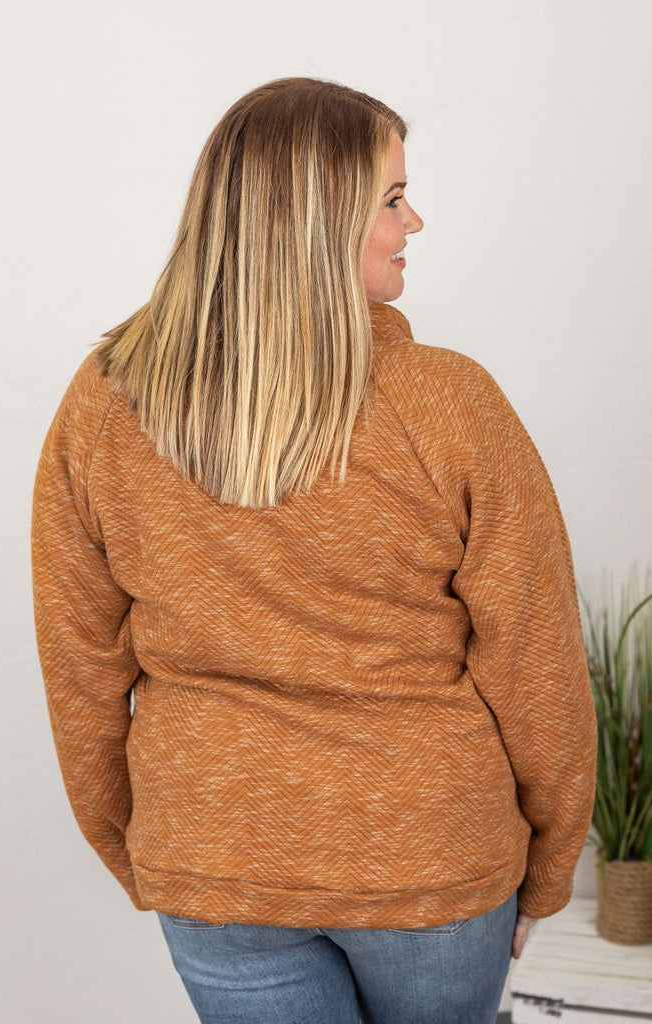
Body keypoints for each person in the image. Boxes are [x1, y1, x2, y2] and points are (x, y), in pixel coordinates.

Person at [30, 76, 598, 1024]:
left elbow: (78, 664)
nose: (413, 222)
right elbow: (535, 664)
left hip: (213, 850)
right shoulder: (448, 403)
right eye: (391, 200)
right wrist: (548, 868)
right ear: (315, 219)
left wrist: (143, 842)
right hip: (428, 857)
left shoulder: (105, 401)